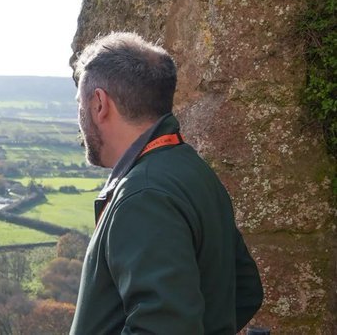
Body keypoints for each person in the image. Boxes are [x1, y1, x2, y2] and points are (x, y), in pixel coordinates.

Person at [69, 32, 263, 335]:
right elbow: (246, 290)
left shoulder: (144, 195)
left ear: (99, 104)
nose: (79, 117)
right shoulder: (188, 168)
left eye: (79, 103)